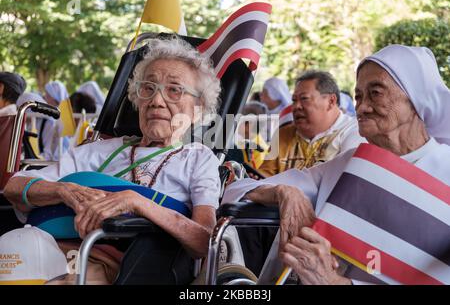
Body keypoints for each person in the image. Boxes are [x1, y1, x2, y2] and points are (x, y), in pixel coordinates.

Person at [223, 44, 450, 284]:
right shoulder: (349, 164)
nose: (361, 107)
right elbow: (237, 190)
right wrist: (283, 191)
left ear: (416, 98)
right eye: (359, 96)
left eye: (375, 93)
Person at [3, 36, 222, 284]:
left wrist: (136, 201)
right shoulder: (94, 151)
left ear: (198, 108)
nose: (156, 101)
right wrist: (62, 189)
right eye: (148, 88)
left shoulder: (197, 159)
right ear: (137, 100)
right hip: (44, 249)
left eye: (174, 90)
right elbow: (14, 186)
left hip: (118, 266)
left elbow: (206, 241)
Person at [257, 70, 365, 178]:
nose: (296, 107)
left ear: (331, 101)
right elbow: (262, 178)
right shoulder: (284, 135)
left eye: (304, 99)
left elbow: (345, 185)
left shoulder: (355, 133)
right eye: (294, 100)